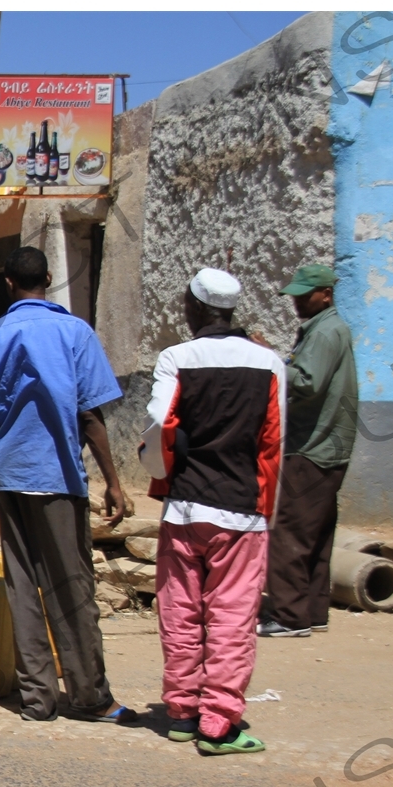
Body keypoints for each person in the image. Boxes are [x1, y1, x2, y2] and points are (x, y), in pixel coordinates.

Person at [0, 245, 135, 724]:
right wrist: (113, 481)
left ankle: (37, 699)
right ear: (50, 278)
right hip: (57, 478)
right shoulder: (74, 332)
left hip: (10, 477)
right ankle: (89, 696)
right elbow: (90, 416)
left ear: (9, 285)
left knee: (23, 586)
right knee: (71, 588)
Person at [141, 269, 286, 755]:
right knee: (231, 619)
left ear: (195, 307)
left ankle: (181, 712)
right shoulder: (268, 363)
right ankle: (218, 724)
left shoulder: (176, 358)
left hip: (184, 509)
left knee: (180, 612)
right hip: (241, 514)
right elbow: (273, 441)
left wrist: (160, 470)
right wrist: (268, 510)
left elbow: (161, 421)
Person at [258, 264, 359, 637]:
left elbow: (306, 383)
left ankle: (288, 616)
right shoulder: (328, 329)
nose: (297, 302)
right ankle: (313, 610)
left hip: (310, 446)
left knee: (290, 530)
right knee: (317, 534)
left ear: (326, 294)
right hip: (327, 445)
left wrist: (268, 358)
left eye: (304, 295)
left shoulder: (326, 332)